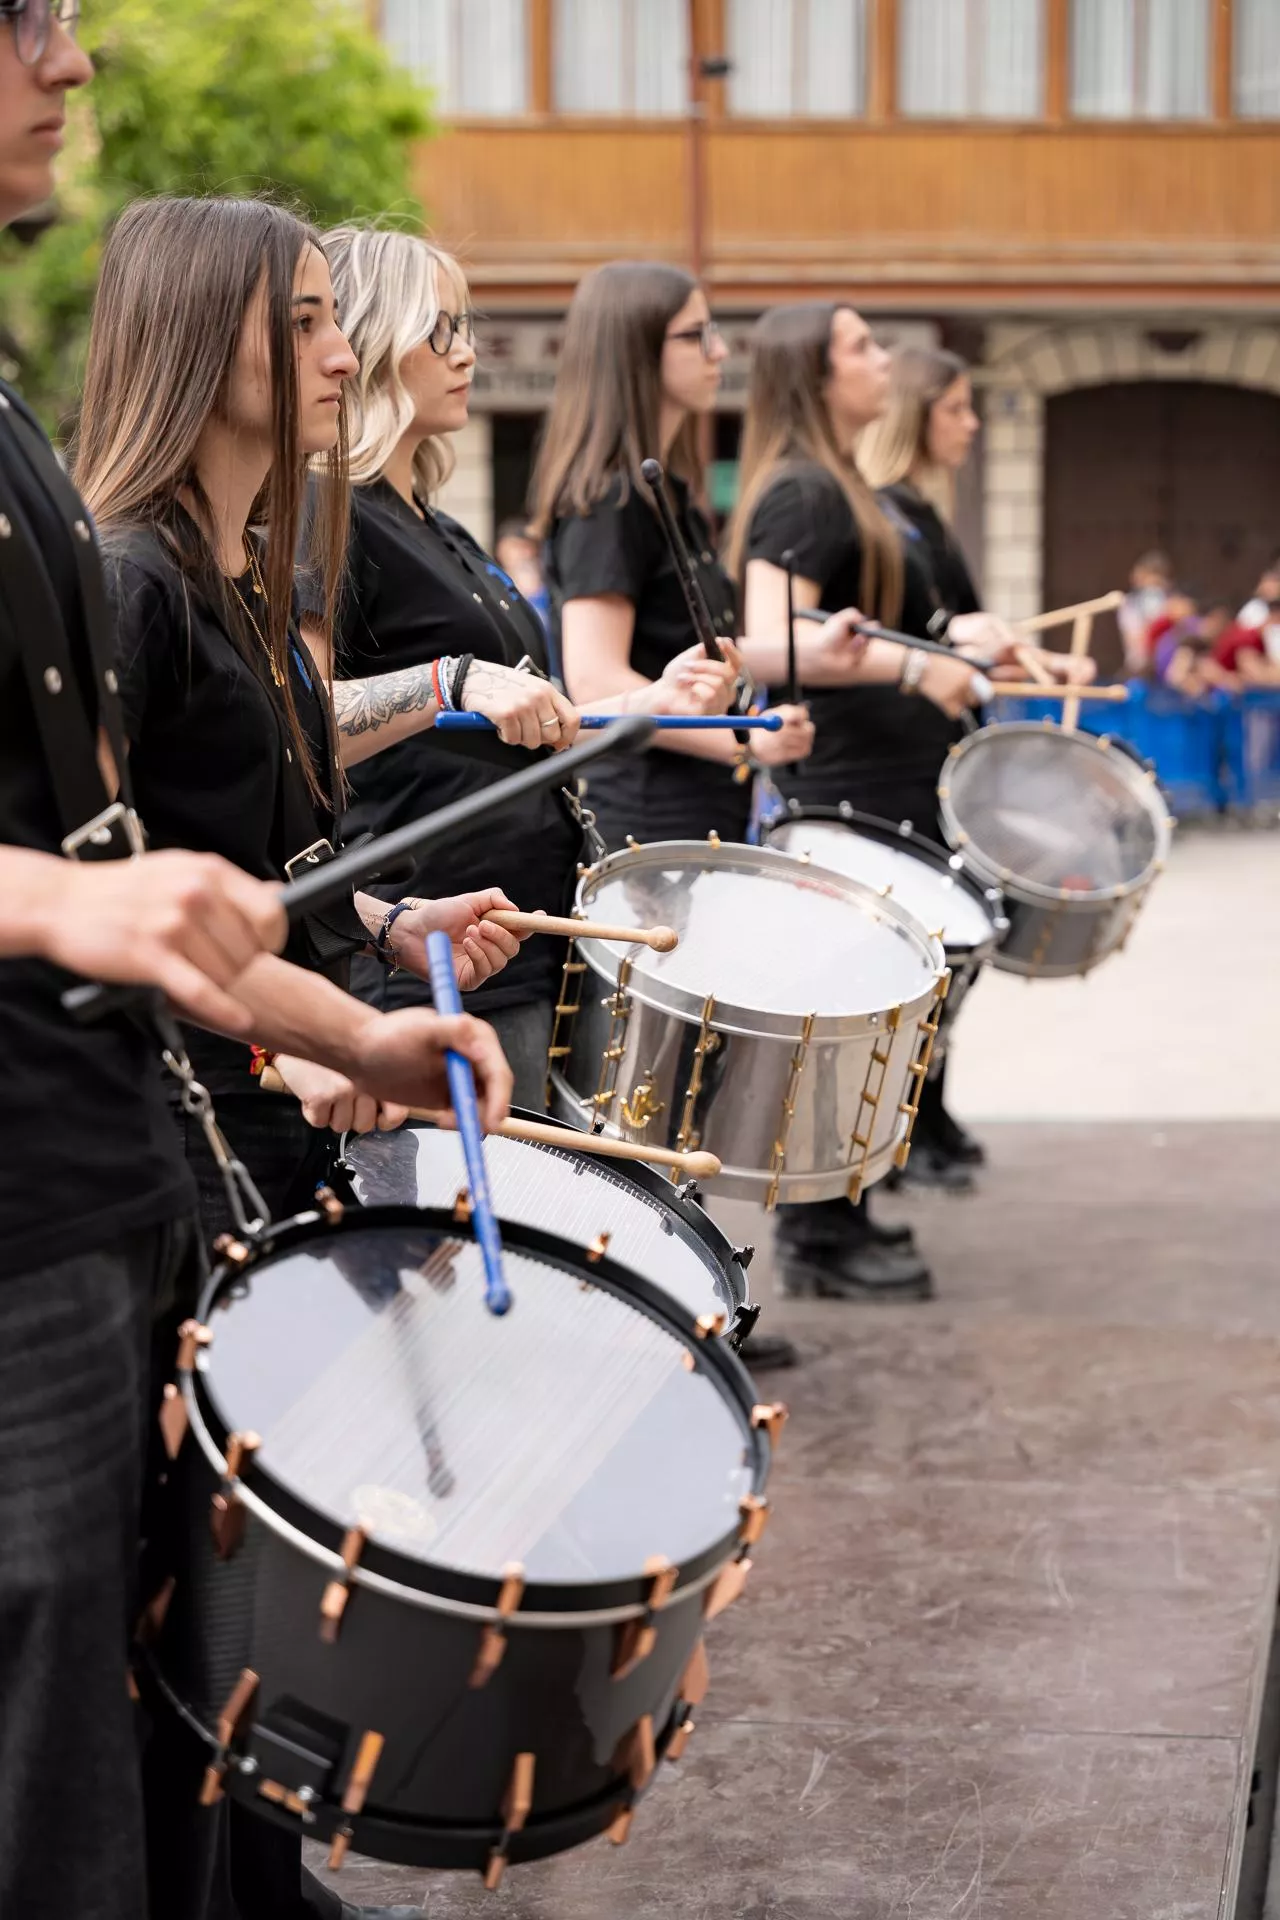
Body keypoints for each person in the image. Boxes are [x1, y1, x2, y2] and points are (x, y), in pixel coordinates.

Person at [0, 24, 495, 1920]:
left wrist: (363, 996)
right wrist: (64, 911)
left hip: (145, 1175)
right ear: (204, 333)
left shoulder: (53, 475)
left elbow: (188, 890)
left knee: (187, 1657)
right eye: (303, 319)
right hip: (98, 1175)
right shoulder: (130, 563)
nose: (345, 352)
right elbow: (113, 894)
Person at [310, 227, 737, 1110]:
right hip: (431, 942)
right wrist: (447, 680)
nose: (467, 351)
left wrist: (651, 702)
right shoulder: (328, 510)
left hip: (520, 934)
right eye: (441, 330)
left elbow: (528, 720)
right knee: (461, 1236)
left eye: (466, 327)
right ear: (376, 335)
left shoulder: (437, 523)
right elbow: (294, 721)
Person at [729, 301, 1091, 1294]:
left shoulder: (844, 488)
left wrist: (948, 649)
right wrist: (906, 668)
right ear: (812, 374)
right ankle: (819, 1237)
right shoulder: (802, 492)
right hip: (847, 793)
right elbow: (774, 636)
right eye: (858, 347)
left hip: (891, 789)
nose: (879, 360)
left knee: (879, 1021)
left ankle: (847, 1214)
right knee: (844, 1018)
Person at [531, 260, 817, 855]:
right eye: (695, 335)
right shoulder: (611, 498)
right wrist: (743, 742)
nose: (720, 351)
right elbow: (594, 679)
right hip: (645, 817)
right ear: (634, 351)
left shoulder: (664, 492)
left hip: (689, 809)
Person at [860, 344, 1002, 1179]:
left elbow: (959, 626)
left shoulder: (924, 517)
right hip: (880, 772)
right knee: (915, 965)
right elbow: (883, 642)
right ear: (919, 412)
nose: (972, 423)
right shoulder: (879, 515)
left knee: (950, 962)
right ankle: (905, 1132)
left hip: (929, 760)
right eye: (957, 407)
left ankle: (927, 1112)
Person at [1118, 549, 1173, 675]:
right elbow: (1134, 640)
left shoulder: (1172, 601)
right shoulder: (1129, 603)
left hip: (1167, 667)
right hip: (1140, 666)